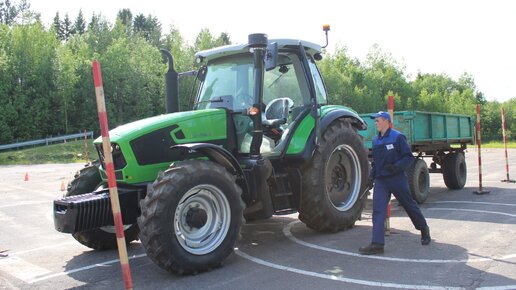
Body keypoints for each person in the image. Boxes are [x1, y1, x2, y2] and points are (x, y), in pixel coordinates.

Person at [359, 111, 431, 255]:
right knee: (378, 211)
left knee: (409, 205)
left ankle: (424, 229)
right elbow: (376, 163)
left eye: (377, 120)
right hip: (381, 181)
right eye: (375, 121)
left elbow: (408, 157)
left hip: (397, 179)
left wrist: (396, 167)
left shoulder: (397, 137)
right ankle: (377, 244)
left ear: (386, 121)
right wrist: (371, 178)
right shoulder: (375, 140)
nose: (375, 123)